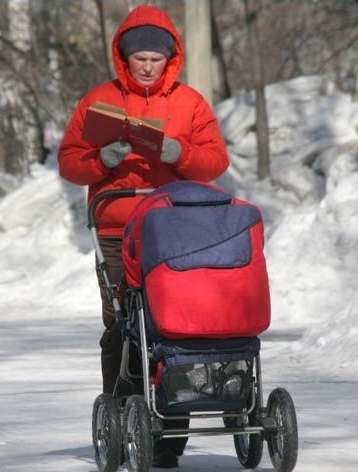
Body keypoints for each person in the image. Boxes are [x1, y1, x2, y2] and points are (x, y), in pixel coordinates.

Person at [57, 5, 229, 468]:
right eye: (140, 59)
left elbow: (215, 162)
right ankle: (119, 416)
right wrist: (103, 161)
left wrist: (180, 151)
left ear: (171, 59)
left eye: (156, 58)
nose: (148, 66)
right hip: (116, 229)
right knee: (124, 325)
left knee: (174, 326)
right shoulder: (98, 100)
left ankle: (172, 432)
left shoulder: (190, 104)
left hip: (176, 229)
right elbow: (70, 162)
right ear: (124, 59)